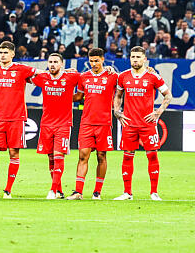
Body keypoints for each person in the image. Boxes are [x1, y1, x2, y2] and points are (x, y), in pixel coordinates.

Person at [114, 46, 172, 201]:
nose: (135, 60)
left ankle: (154, 192)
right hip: (129, 124)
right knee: (127, 157)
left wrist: (158, 112)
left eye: (138, 57)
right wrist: (117, 111)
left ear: (145, 59)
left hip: (148, 124)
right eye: (133, 57)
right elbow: (118, 95)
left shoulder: (153, 76)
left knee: (152, 156)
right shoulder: (123, 76)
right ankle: (127, 193)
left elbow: (168, 95)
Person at [0, 40, 37, 198]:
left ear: (13, 54)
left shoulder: (21, 69)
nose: (3, 55)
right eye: (1, 53)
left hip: (16, 118)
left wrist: (62, 72)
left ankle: (8, 190)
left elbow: (40, 74)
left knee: (14, 153)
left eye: (6, 52)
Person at [67, 47, 117, 200]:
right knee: (83, 156)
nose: (94, 63)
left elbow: (126, 85)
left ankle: (97, 192)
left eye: (96, 60)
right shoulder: (84, 77)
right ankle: (78, 192)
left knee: (101, 156)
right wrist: (61, 93)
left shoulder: (112, 76)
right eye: (91, 61)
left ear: (103, 60)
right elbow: (78, 97)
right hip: (86, 122)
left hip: (104, 123)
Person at [32, 53, 80, 199]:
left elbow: (90, 78)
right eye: (50, 62)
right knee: (51, 157)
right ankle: (59, 190)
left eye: (55, 62)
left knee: (59, 155)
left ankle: (52, 190)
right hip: (46, 123)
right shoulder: (43, 78)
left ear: (61, 64)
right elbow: (25, 78)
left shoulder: (71, 77)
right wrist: (38, 71)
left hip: (63, 124)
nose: (52, 64)